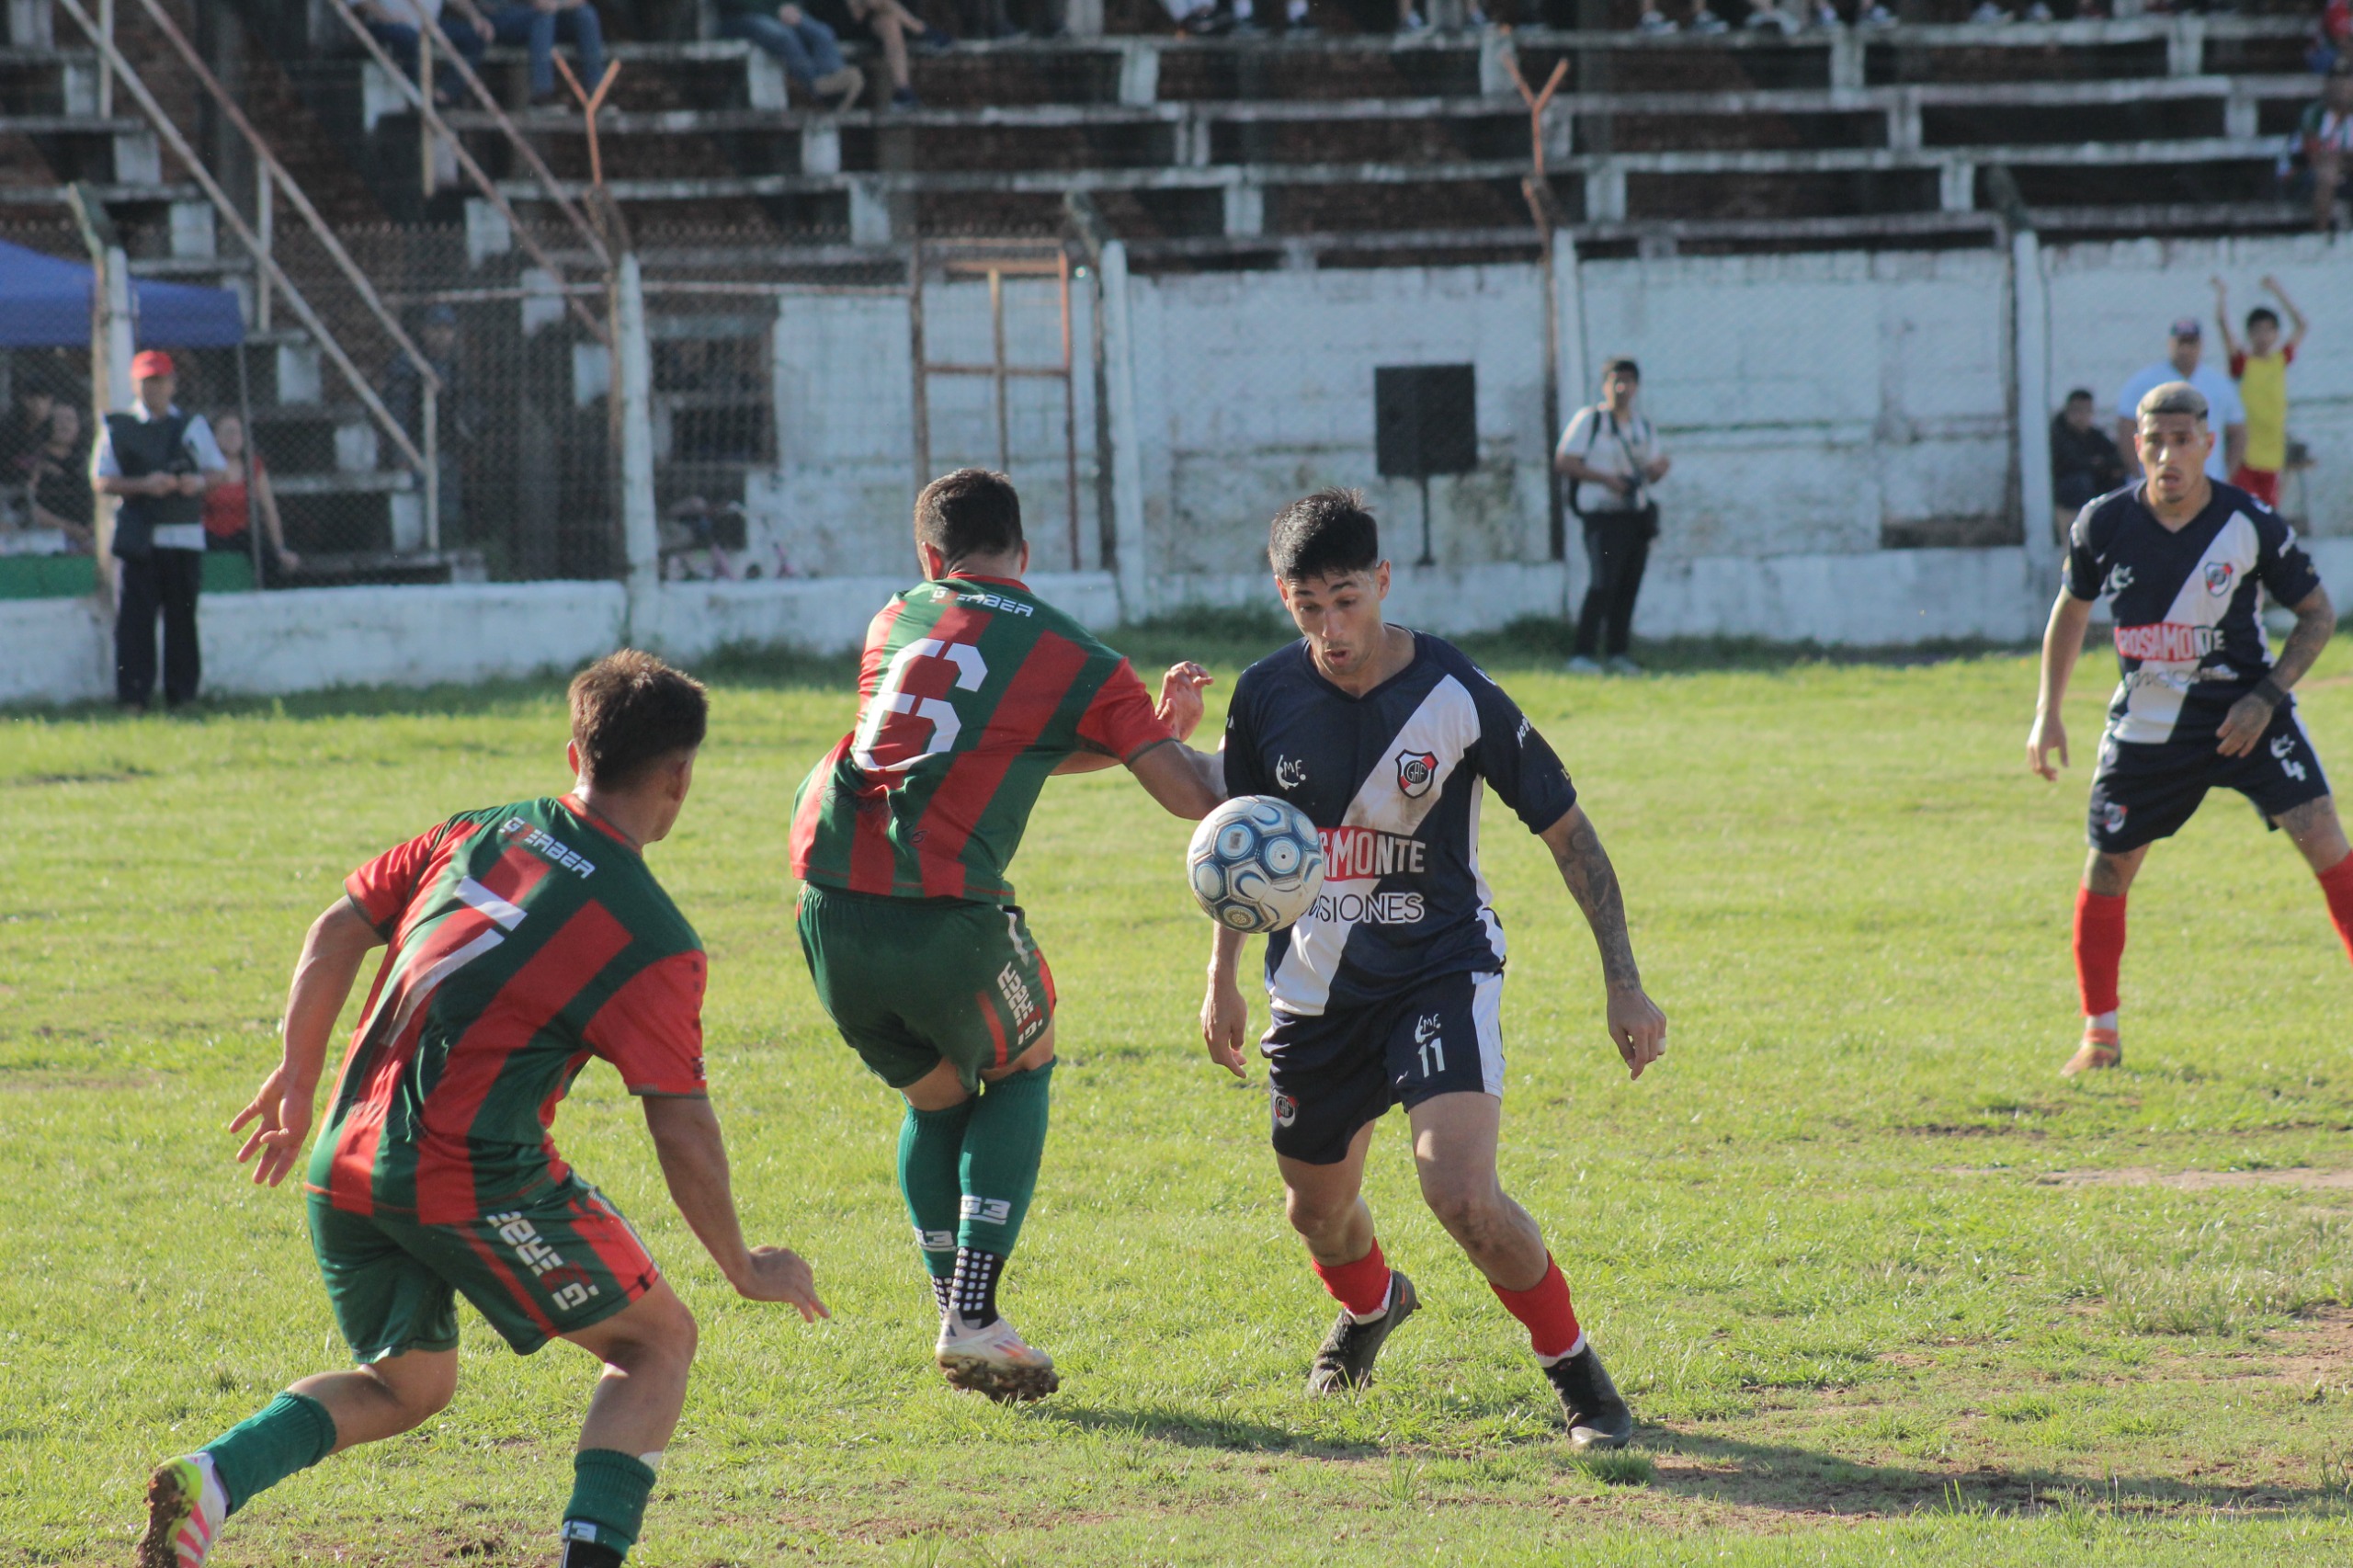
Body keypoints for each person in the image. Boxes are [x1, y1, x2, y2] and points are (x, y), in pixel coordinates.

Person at [137, 652, 827, 1568]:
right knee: (657, 1342)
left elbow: (336, 928)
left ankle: (212, 1478)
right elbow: (680, 1123)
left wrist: (297, 1076)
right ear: (679, 775)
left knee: (409, 1383)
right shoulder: (651, 937)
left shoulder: (480, 828)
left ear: (572, 749)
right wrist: (740, 1261)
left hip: (343, 1160)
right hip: (462, 1175)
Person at [1200, 488, 1668, 1449]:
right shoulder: (1264, 695)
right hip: (1315, 986)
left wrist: (1622, 977)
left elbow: (1570, 835)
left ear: (1381, 580)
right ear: (1281, 596)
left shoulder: (1455, 692)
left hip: (1437, 966)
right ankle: (1373, 1306)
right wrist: (1222, 975)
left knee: (1458, 1190)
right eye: (1307, 605)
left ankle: (1579, 1376)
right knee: (1316, 1214)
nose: (1331, 628)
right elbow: (1244, 848)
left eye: (1346, 599)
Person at [789, 468, 1223, 1402]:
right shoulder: (1077, 654)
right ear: (1025, 552)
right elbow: (1189, 798)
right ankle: (976, 1311)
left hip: (824, 902)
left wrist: (1134, 731)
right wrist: (1179, 744)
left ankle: (957, 1312)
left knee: (939, 1098)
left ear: (928, 557)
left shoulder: (896, 616)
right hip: (941, 911)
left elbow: (992, 740)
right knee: (1024, 1065)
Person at [2027, 383, 2351, 1077]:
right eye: (2154, 440)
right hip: (2149, 725)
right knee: (2109, 867)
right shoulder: (2104, 523)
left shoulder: (2251, 523)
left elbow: (2318, 614)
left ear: (2209, 442)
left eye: (2182, 439)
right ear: (2135, 444)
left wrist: (2266, 698)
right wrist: (2047, 711)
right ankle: (2100, 1038)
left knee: (2326, 840)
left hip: (2247, 716)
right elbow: (2071, 612)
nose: (2168, 453)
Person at [93, 351, 229, 710]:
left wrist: (194, 483)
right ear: (135, 384)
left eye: (160, 380)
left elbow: (219, 472)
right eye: (147, 381)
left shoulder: (191, 426)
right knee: (135, 623)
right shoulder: (117, 426)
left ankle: (182, 696)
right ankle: (133, 698)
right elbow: (102, 479)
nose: (154, 388)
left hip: (184, 536)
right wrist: (144, 485)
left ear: (172, 384)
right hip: (141, 540)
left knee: (182, 619)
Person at [1556, 358, 1670, 676]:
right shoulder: (1590, 421)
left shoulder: (1642, 426)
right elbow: (1565, 461)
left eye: (1628, 381)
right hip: (1602, 516)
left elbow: (1655, 464)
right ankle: (1583, 653)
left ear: (1637, 386)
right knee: (1602, 583)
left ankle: (1619, 652)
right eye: (1615, 381)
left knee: (1628, 584)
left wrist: (1656, 470)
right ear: (1605, 385)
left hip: (1635, 515)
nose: (1622, 389)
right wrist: (1606, 479)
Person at [2212, 275, 2310, 511]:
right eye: (2257, 331)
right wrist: (2221, 296)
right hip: (2245, 454)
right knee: (2243, 509)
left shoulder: (2280, 360)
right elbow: (2223, 327)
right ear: (2249, 334)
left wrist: (2277, 290)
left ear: (2276, 333)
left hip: (2272, 453)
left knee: (2269, 513)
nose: (2263, 337)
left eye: (2269, 330)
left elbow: (2302, 325)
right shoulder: (2243, 363)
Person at [2114, 319, 2244, 485]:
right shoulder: (2145, 382)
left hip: (2206, 483)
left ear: (2201, 345)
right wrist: (2139, 475)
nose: (2186, 350)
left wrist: (2226, 476)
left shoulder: (2219, 385)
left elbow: (2238, 432)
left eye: (2191, 343)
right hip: (2156, 482)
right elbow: (2126, 428)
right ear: (2170, 344)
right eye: (2181, 343)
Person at [712, 0, 866, 110]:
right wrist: (776, 11)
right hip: (740, 17)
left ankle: (834, 77)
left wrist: (791, 7)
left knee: (822, 32)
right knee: (783, 36)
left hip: (777, 12)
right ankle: (816, 86)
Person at [202, 412, 301, 578]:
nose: (233, 437)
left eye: (237, 432)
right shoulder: (205, 466)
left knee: (270, 558)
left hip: (240, 534)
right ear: (215, 437)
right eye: (227, 432)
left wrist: (279, 548)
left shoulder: (253, 466)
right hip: (210, 534)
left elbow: (269, 509)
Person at [803, 0, 951, 109]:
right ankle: (923, 30)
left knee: (890, 23)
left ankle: (903, 91)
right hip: (836, 23)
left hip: (873, 22)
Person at [348, 0, 493, 106]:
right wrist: (388, 18)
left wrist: (475, 17)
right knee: (406, 37)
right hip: (387, 25)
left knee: (475, 37)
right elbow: (360, 3)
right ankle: (417, 97)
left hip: (428, 26)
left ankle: (443, 95)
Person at [487, 0, 608, 107]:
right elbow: (539, 4)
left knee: (587, 15)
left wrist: (558, 4)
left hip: (554, 15)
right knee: (544, 18)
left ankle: (596, 92)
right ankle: (542, 96)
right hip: (513, 15)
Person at [2049, 388, 2127, 542]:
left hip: (2094, 484)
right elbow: (2072, 463)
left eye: (2087, 411)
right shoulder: (2058, 434)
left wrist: (2100, 464)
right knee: (2081, 481)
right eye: (2077, 411)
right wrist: (2097, 464)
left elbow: (2116, 459)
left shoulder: (2093, 435)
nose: (2082, 417)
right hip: (2066, 491)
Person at [25, 401, 95, 551]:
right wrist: (67, 528)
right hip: (49, 535)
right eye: (59, 420)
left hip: (89, 534)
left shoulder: (88, 460)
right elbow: (30, 505)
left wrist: (93, 525)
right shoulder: (37, 462)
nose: (65, 425)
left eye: (70, 419)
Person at [2296, 64, 2353, 232]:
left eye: (2346, 83)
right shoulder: (2315, 113)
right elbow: (2312, 153)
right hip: (2320, 168)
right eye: (2336, 84)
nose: (2341, 89)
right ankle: (2322, 232)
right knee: (2327, 172)